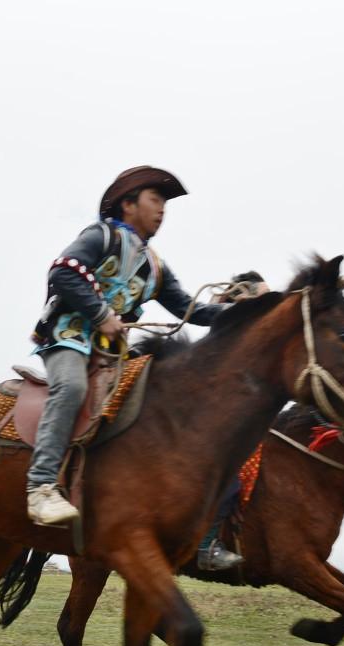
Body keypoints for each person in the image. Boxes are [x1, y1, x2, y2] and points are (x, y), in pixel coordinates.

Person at [26, 166, 263, 572]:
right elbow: (64, 272)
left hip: (115, 353)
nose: (163, 210)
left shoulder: (154, 265)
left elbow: (193, 310)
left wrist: (247, 311)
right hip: (69, 338)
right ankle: (40, 486)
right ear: (128, 203)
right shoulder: (101, 235)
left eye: (166, 204)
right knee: (70, 389)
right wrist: (100, 314)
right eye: (156, 200)